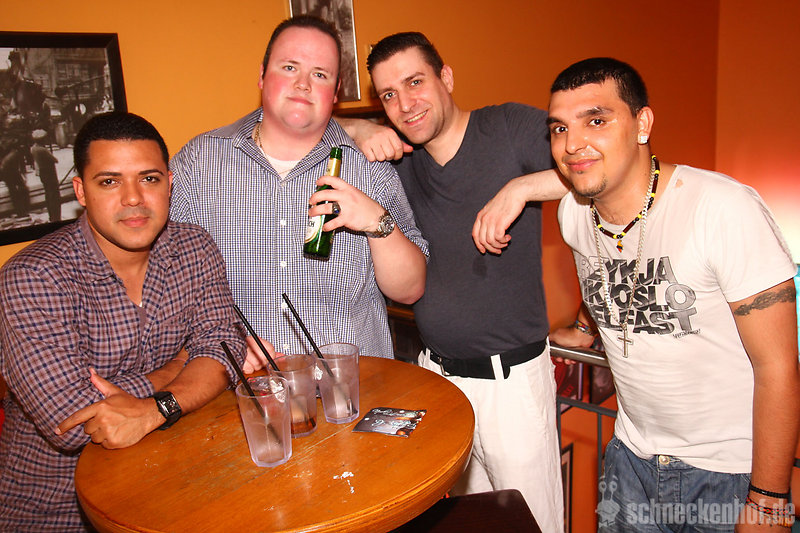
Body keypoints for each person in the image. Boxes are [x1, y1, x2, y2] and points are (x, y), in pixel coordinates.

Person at [474, 57, 799, 531]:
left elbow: (779, 366)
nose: (573, 143)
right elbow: (612, 275)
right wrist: (585, 326)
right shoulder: (574, 216)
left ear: (642, 124)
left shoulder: (723, 210)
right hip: (630, 461)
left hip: (727, 472)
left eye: (596, 120)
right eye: (560, 128)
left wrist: (768, 501)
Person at [339, 32, 564, 531]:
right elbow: (303, 121)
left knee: (532, 525)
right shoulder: (402, 157)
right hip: (437, 383)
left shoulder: (507, 127)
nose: (405, 105)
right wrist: (358, 126)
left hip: (511, 386)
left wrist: (520, 188)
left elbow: (599, 167)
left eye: (415, 82)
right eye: (389, 95)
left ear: (446, 77)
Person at [0, 112, 247, 532]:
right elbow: (73, 421)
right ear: (81, 190)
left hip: (172, 484)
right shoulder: (34, 276)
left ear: (169, 183)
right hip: (57, 508)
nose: (133, 198)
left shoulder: (195, 247)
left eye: (149, 179)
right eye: (110, 181)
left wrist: (157, 408)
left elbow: (224, 347)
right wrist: (175, 369)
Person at [169, 16, 427, 367]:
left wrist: (376, 222)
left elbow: (410, 290)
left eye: (320, 74)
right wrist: (220, 340)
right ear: (262, 76)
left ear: (335, 92)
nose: (303, 84)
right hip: (243, 387)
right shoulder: (199, 162)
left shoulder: (369, 166)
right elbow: (162, 283)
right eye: (289, 67)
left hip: (355, 386)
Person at [30, 129, 61, 221]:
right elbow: (55, 160)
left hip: (43, 172)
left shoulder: (33, 148)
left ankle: (51, 215)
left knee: (48, 193)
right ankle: (56, 216)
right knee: (54, 195)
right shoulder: (42, 150)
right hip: (49, 172)